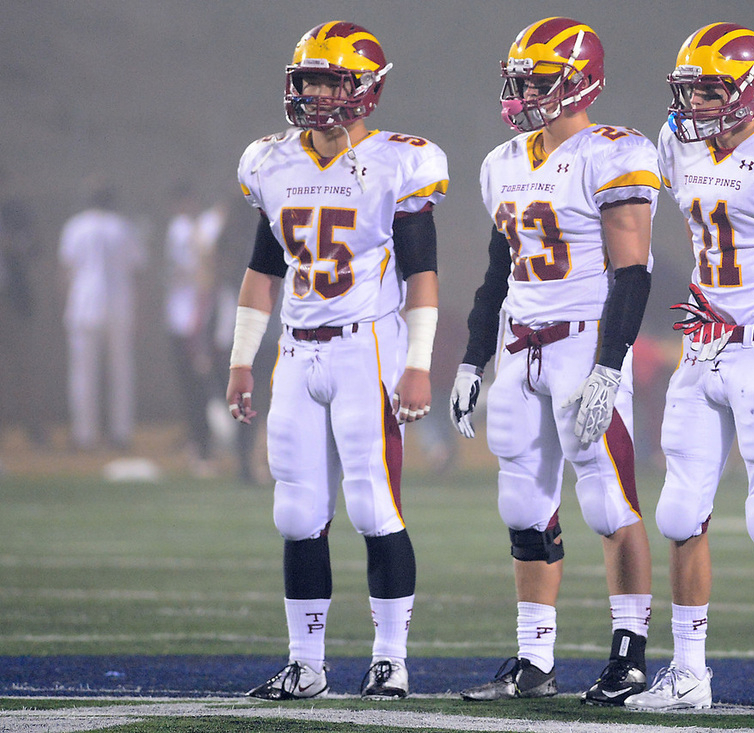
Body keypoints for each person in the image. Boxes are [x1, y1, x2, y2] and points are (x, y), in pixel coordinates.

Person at [621, 24, 754, 719]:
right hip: (701, 340)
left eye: (713, 89)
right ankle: (688, 671)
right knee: (681, 510)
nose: (699, 104)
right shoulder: (677, 141)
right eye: (691, 90)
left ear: (753, 90)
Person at [226, 21, 447, 701]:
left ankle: (390, 659)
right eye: (309, 78)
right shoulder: (270, 161)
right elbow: (263, 270)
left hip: (367, 348)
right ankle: (307, 662)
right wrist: (241, 359)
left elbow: (422, 275)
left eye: (331, 79)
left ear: (365, 90)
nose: (317, 92)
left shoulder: (397, 161)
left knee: (374, 507)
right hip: (295, 350)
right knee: (296, 513)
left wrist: (419, 362)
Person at [449, 17, 657, 706]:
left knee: (608, 500)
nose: (525, 90)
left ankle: (629, 654)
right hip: (519, 345)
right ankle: (534, 658)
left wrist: (609, 364)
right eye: (522, 77)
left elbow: (632, 273)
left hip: (581, 342)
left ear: (580, 81)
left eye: (540, 78)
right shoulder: (502, 162)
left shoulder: (613, 151)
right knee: (522, 501)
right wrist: (472, 360)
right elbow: (496, 272)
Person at [59, 180, 147, 451]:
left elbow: (65, 271)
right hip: (119, 305)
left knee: (83, 372)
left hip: (83, 304)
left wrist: (65, 304)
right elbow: (137, 271)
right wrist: (140, 311)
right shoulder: (123, 227)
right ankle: (120, 432)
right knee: (121, 371)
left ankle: (84, 434)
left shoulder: (74, 226)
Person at [164, 183, 224, 476]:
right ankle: (199, 444)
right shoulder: (183, 229)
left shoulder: (202, 226)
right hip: (187, 318)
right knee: (192, 385)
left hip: (200, 318)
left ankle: (205, 446)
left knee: (203, 384)